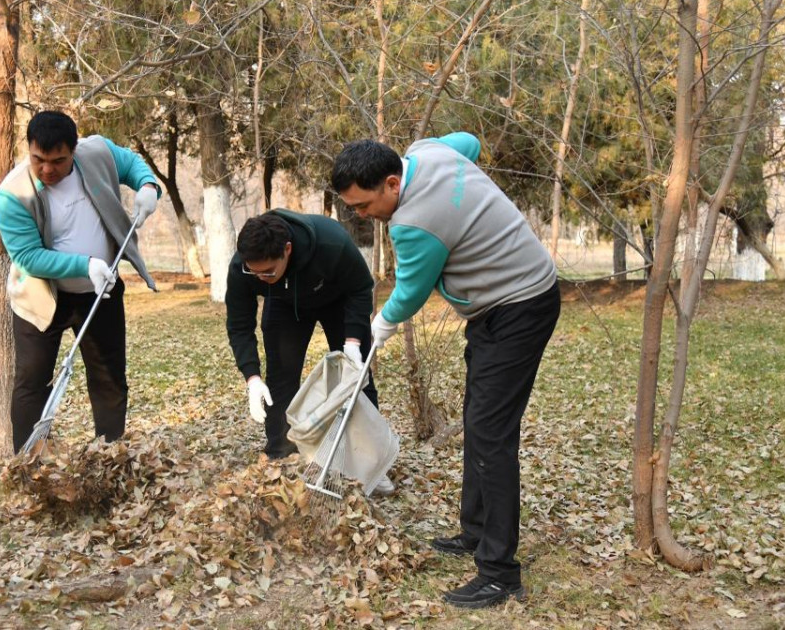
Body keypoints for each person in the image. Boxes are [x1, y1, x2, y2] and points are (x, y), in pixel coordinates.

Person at [332, 133, 560, 609]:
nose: (361, 214)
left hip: (518, 307)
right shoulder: (430, 151)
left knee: (490, 435)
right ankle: (475, 534)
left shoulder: (414, 223)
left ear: (393, 183)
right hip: (501, 303)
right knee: (480, 422)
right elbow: (473, 142)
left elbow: (411, 292)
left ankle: (499, 573)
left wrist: (380, 325)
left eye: (365, 203)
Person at [0, 111, 161, 453]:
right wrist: (85, 265)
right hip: (41, 299)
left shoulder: (96, 152)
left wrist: (148, 185)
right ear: (29, 149)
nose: (46, 170)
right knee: (32, 384)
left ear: (74, 150)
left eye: (58, 161)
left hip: (100, 295)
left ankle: (108, 457)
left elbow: (130, 163)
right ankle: (28, 466)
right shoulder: (12, 195)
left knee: (109, 379)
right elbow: (29, 257)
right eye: (38, 159)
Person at [224, 211, 388, 491]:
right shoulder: (243, 266)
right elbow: (240, 325)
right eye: (254, 272)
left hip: (338, 299)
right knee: (281, 378)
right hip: (285, 304)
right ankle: (281, 455)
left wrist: (352, 343)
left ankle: (370, 464)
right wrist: (252, 378)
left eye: (267, 272)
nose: (259, 277)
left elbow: (361, 288)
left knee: (357, 378)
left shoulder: (331, 243)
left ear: (287, 250)